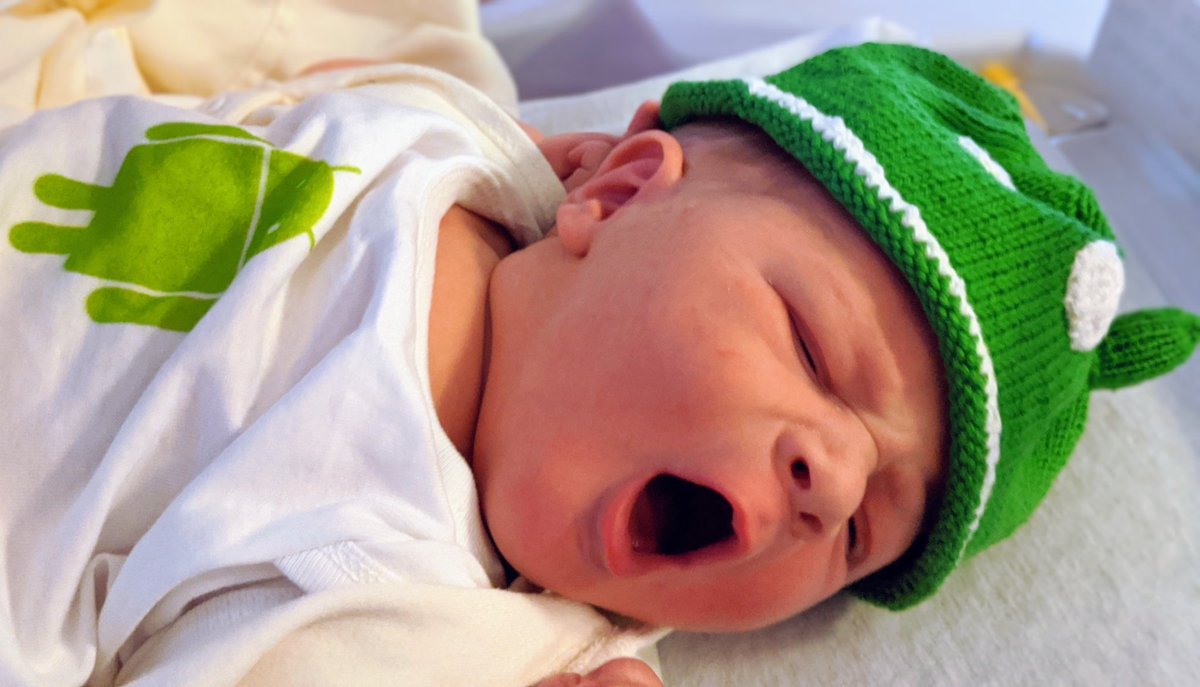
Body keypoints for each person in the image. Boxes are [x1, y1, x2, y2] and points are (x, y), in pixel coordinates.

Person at [1, 3, 1198, 686]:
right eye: (814, 352)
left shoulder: (419, 596)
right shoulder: (440, 133)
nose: (832, 477)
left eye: (864, 531)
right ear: (617, 189)